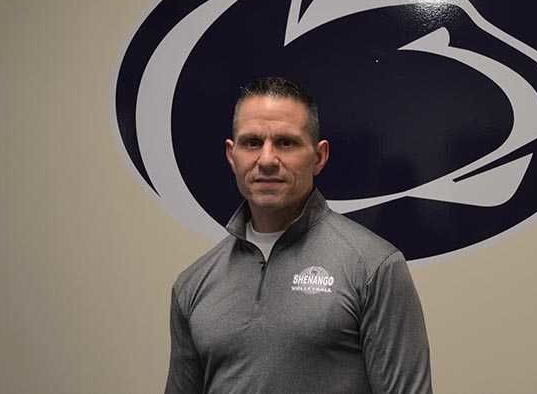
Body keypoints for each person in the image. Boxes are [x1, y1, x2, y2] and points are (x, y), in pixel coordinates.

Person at [164, 77, 432, 393]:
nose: (266, 160)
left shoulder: (374, 267)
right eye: (252, 143)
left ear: (319, 157)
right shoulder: (193, 284)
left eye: (285, 143)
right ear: (231, 155)